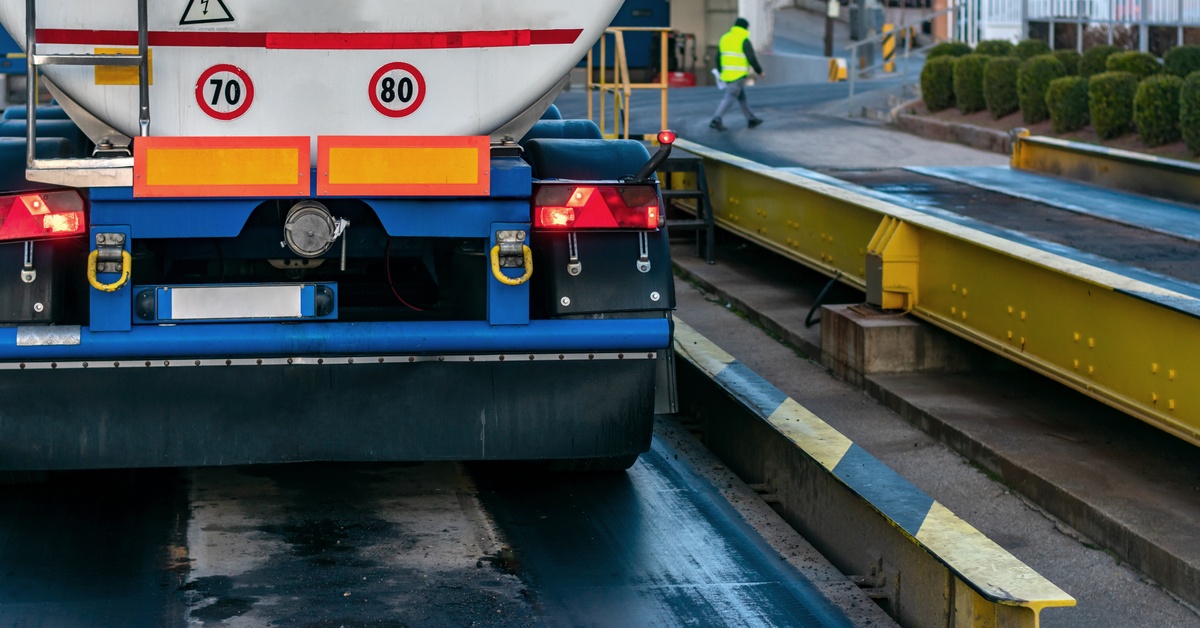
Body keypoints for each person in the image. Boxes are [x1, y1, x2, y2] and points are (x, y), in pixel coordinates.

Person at [710, 17, 764, 131]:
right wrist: (759, 71)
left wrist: (720, 71)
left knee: (742, 97)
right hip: (738, 75)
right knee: (730, 97)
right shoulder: (743, 39)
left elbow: (717, 57)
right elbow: (751, 58)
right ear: (745, 28)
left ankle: (751, 119)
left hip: (727, 74)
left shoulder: (725, 38)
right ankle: (716, 119)